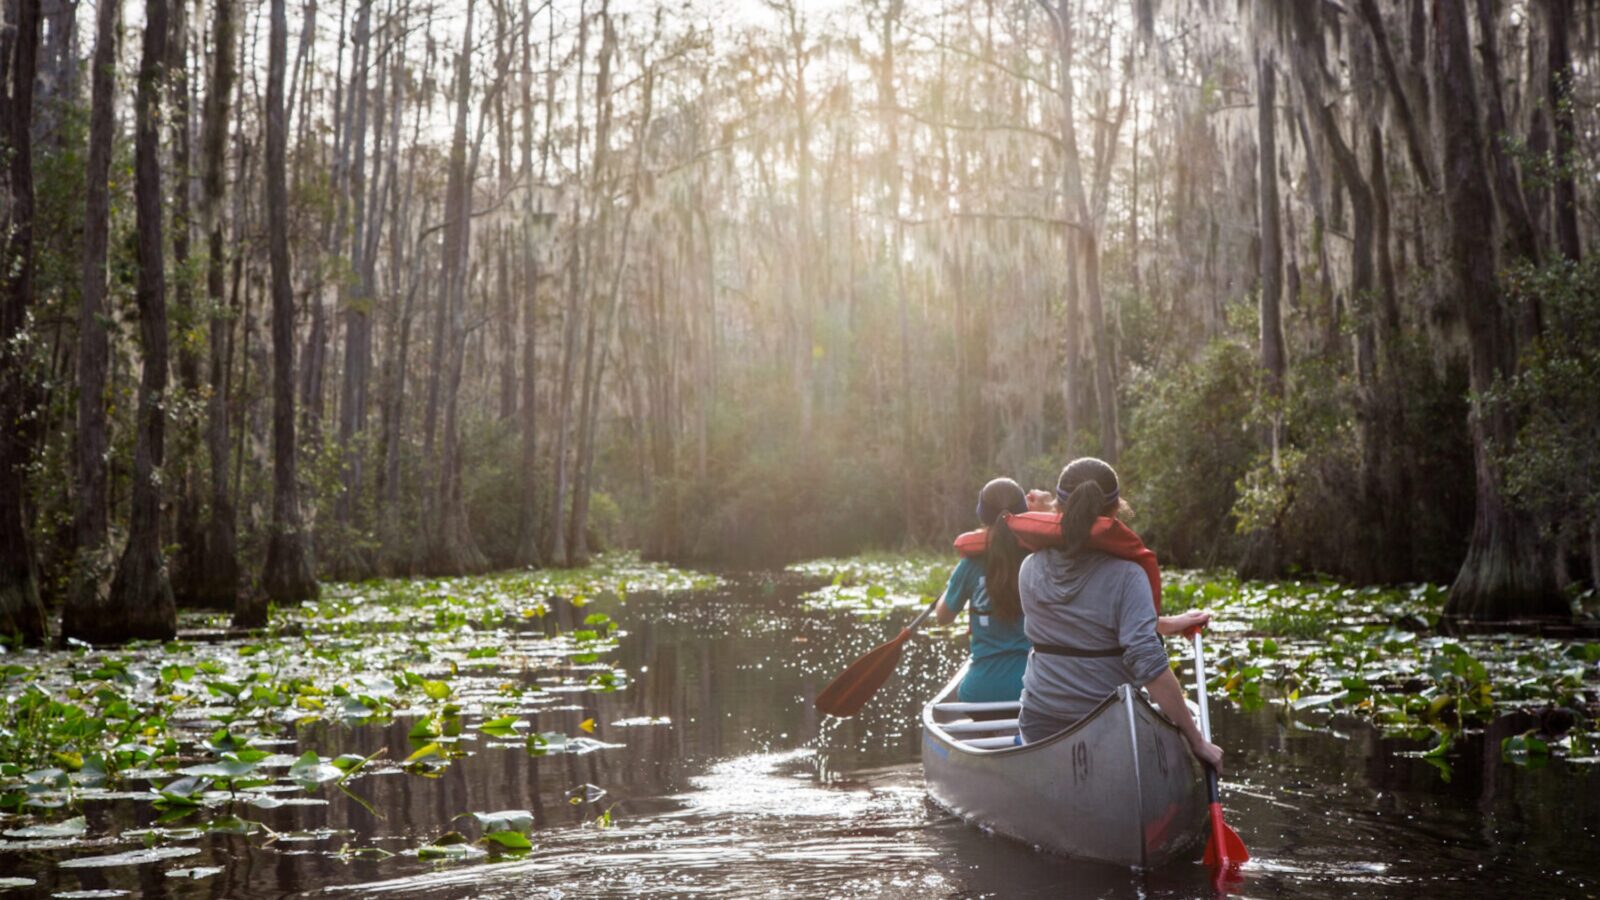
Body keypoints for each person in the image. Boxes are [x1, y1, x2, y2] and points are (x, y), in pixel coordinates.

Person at [1017, 457, 1224, 774]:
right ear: (1116, 511)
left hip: (1040, 722)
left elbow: (1083, 625)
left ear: (1058, 509)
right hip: (1109, 728)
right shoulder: (1128, 576)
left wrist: (1166, 624)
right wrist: (1196, 740)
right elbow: (1146, 660)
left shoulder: (1028, 569)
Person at [932, 478, 1036, 703]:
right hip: (1030, 689)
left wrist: (951, 587)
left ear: (982, 515)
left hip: (978, 693)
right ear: (1022, 513)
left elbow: (943, 618)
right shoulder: (1038, 559)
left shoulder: (969, 566)